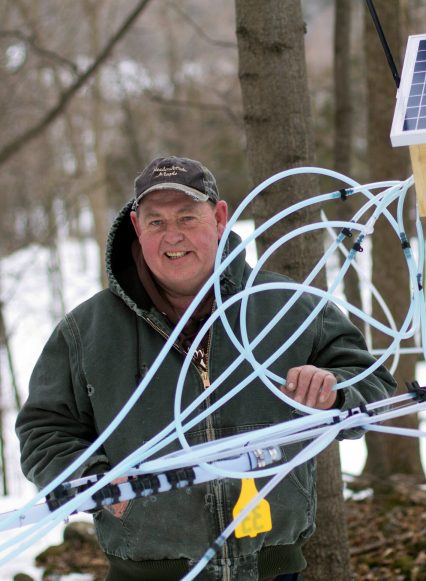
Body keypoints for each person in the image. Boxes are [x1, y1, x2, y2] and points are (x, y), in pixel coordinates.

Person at [16, 156, 397, 581]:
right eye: (156, 222)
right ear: (138, 229)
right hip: (146, 571)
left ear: (219, 218)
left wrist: (336, 391)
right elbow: (43, 431)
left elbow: (375, 387)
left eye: (186, 217)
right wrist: (92, 481)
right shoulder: (86, 331)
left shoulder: (287, 306)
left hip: (271, 569)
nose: (172, 236)